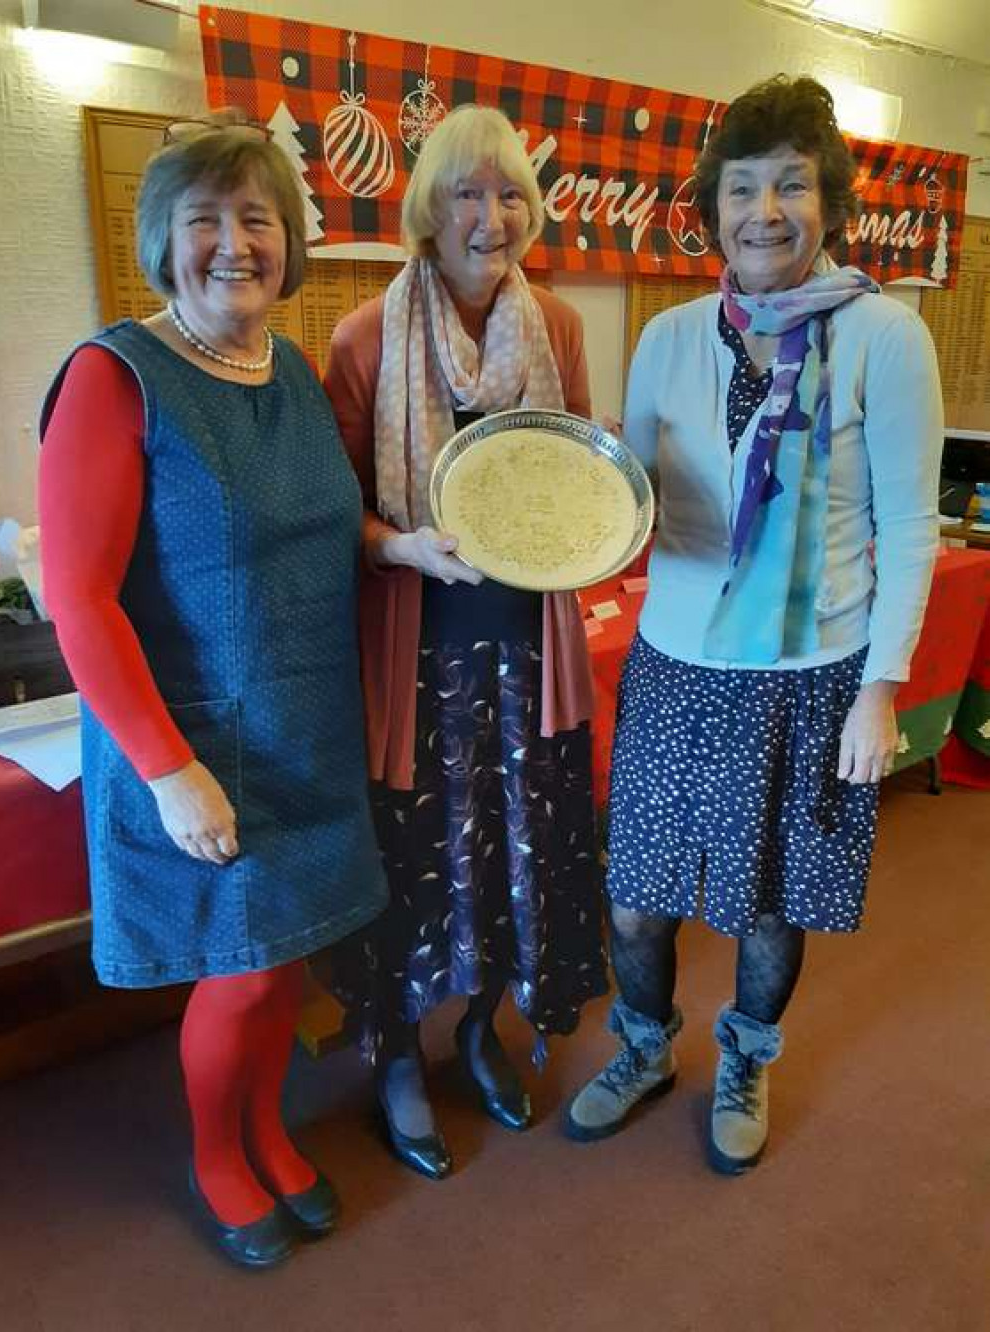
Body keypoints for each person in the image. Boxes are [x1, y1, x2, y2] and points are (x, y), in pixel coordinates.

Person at [565, 76, 943, 1173]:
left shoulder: (884, 336)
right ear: (711, 207)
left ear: (827, 200)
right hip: (676, 663)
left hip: (811, 671)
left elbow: (911, 525)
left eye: (790, 185)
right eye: (743, 189)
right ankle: (642, 1048)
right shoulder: (671, 337)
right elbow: (626, 506)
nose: (764, 211)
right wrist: (555, 498)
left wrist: (882, 684)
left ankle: (746, 1054)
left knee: (769, 906)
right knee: (636, 901)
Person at [38, 115, 388, 1266]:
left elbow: (326, 532)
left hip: (308, 724)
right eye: (205, 221)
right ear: (162, 243)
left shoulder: (290, 366)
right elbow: (80, 601)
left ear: (288, 242)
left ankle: (267, 1129)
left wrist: (407, 549)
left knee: (287, 960)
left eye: (258, 220)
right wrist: (164, 768)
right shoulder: (112, 377)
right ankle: (217, 1151)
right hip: (197, 747)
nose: (235, 244)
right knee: (238, 978)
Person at [323, 105, 608, 1180]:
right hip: (416, 655)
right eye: (467, 195)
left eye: (510, 196)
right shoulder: (363, 339)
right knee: (411, 870)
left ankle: (481, 1028)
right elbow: (333, 513)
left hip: (529, 654)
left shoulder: (559, 330)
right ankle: (395, 1058)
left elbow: (579, 472)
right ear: (426, 214)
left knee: (520, 859)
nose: (492, 218)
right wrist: (401, 552)